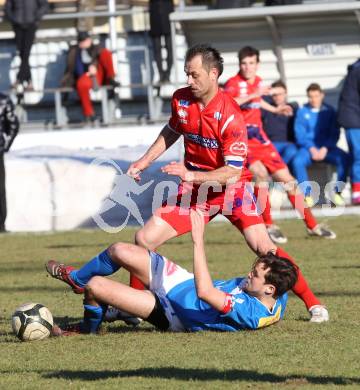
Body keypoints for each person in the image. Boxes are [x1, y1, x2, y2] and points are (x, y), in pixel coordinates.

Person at [47, 44, 329, 323]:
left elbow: (232, 172)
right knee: (144, 239)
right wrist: (144, 161)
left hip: (231, 191)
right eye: (186, 74)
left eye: (194, 75)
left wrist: (192, 175)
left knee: (266, 250)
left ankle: (313, 303)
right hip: (195, 191)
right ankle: (130, 310)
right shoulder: (181, 99)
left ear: (213, 74)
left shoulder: (231, 116)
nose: (188, 80)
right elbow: (172, 130)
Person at [50, 210, 298, 335]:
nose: (248, 274)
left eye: (254, 274)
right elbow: (291, 273)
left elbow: (205, 292)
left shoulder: (249, 312)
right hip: (182, 281)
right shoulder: (277, 293)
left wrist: (198, 240)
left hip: (172, 313)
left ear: (268, 289)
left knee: (98, 286)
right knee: (119, 250)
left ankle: (88, 327)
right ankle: (77, 280)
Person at [224, 46, 336, 244]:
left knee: (288, 179)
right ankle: (269, 225)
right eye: (244, 63)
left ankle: (312, 225)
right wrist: (253, 94)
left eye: (251, 63)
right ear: (239, 64)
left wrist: (275, 109)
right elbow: (229, 102)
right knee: (260, 174)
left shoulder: (257, 82)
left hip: (260, 137)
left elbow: (257, 102)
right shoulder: (233, 83)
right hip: (241, 138)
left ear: (257, 64)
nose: (247, 67)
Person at [293, 83, 350, 207]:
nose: (313, 99)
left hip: (327, 148)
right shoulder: (302, 112)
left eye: (316, 96)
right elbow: (300, 135)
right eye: (310, 96)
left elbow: (335, 133)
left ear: (322, 95)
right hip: (308, 149)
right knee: (297, 161)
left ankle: (337, 193)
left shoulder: (330, 111)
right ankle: (307, 195)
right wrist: (311, 148)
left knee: (345, 158)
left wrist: (325, 147)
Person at [60, 31, 119, 123]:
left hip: (99, 75)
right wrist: (88, 72)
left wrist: (94, 68)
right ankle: (89, 113)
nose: (84, 43)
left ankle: (110, 78)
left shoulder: (97, 49)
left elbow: (102, 62)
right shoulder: (75, 52)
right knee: (82, 84)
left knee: (105, 53)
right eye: (82, 41)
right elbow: (75, 69)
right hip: (85, 76)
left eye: (86, 40)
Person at [4, 0, 49, 91]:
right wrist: (14, 19)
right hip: (18, 26)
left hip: (31, 25)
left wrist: (35, 17)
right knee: (23, 53)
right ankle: (28, 81)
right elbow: (7, 8)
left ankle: (19, 79)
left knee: (26, 53)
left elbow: (44, 6)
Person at [261, 80, 298, 170]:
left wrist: (291, 107)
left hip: (288, 144)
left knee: (292, 151)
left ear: (286, 94)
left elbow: (296, 104)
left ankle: (277, 172)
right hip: (271, 144)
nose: (277, 97)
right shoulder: (267, 109)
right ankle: (279, 173)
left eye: (280, 94)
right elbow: (258, 98)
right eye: (275, 95)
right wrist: (270, 91)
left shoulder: (292, 108)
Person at [337, 59, 360, 205]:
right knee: (359, 155)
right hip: (354, 120)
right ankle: (357, 193)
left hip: (353, 118)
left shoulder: (355, 68)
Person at [0, 93, 19, 232]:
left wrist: (5, 145)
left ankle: (1, 224)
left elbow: (13, 124)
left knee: (0, 189)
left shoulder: (4, 100)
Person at [149, 0, 174, 84]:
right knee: (157, 50)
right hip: (155, 14)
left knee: (170, 48)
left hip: (167, 14)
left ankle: (167, 75)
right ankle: (161, 75)